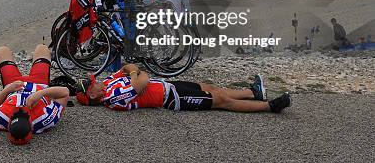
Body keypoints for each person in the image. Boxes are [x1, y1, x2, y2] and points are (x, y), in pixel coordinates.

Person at [75, 63, 291, 114]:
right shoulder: (113, 97)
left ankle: (253, 93)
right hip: (172, 99)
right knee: (220, 101)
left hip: (167, 86)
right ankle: (269, 106)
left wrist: (135, 74)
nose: (95, 81)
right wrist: (136, 75)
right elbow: (142, 79)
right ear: (92, 94)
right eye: (92, 84)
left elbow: (129, 69)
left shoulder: (109, 84)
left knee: (209, 87)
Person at [0, 45, 69, 145]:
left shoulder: (1, 119)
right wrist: (40, 93)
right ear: (31, 126)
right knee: (42, 48)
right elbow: (65, 92)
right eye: (24, 114)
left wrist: (6, 90)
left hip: (13, 85)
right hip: (39, 83)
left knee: (2, 50)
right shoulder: (45, 120)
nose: (20, 109)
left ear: (8, 126)